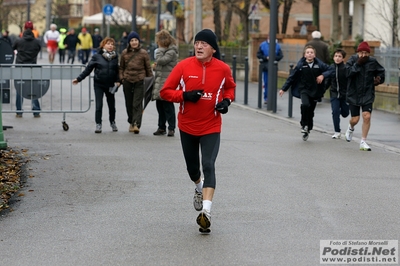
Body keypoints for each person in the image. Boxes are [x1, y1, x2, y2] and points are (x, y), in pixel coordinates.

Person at [160, 29, 235, 233]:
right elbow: (165, 92)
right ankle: (198, 187)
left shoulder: (223, 69)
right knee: (193, 169)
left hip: (211, 125)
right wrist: (185, 95)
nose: (199, 46)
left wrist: (226, 102)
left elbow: (229, 88)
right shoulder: (183, 66)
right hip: (187, 126)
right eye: (196, 43)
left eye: (204, 43)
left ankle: (206, 213)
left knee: (209, 164)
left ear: (213, 48)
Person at [279, 45, 332, 141]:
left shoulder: (319, 65)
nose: (309, 54)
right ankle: (304, 125)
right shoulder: (300, 65)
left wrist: (323, 75)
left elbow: (330, 70)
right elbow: (292, 77)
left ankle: (308, 128)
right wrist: (284, 89)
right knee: (305, 105)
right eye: (308, 52)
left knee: (311, 111)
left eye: (311, 52)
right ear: (304, 55)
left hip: (315, 90)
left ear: (314, 55)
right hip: (304, 90)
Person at [72, 37, 120, 133]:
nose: (110, 46)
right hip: (99, 84)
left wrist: (118, 80)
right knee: (99, 105)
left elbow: (117, 70)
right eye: (108, 44)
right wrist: (79, 79)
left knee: (112, 106)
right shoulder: (97, 56)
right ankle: (98, 124)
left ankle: (112, 122)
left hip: (110, 84)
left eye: (112, 44)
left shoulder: (115, 57)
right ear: (103, 45)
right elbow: (88, 69)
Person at [344, 41, 385, 151]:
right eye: (361, 53)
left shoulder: (372, 61)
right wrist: (358, 64)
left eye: (365, 53)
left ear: (369, 53)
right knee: (355, 119)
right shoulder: (352, 60)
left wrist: (379, 79)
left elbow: (381, 72)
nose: (363, 55)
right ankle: (350, 128)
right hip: (354, 94)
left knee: (367, 116)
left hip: (367, 93)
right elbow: (347, 73)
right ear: (358, 53)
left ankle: (363, 141)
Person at [119, 31, 153, 134]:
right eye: (132, 40)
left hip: (140, 80)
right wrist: (122, 78)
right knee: (129, 103)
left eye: (136, 40)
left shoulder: (143, 53)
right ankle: (131, 121)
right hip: (128, 80)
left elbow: (148, 68)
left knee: (137, 103)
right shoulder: (124, 53)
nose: (134, 42)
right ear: (129, 42)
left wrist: (150, 80)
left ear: (139, 41)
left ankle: (136, 124)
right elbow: (121, 67)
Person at [12, 22, 42, 118]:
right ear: (33, 29)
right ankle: (36, 111)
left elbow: (12, 48)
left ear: (24, 29)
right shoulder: (37, 41)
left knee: (19, 89)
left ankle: (19, 111)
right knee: (33, 88)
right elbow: (39, 49)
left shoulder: (18, 41)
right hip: (32, 67)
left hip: (20, 67)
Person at [152, 29, 178, 137]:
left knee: (168, 106)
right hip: (160, 80)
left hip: (166, 81)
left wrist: (159, 50)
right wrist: (155, 67)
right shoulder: (165, 51)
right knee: (160, 106)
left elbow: (161, 61)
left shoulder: (171, 52)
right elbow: (159, 65)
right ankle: (161, 127)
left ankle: (171, 128)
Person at [325, 49, 349, 139]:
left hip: (344, 94)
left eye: (339, 56)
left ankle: (343, 110)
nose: (337, 58)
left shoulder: (346, 69)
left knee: (345, 114)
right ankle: (337, 131)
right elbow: (327, 81)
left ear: (343, 59)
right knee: (335, 112)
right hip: (334, 94)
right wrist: (322, 91)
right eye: (336, 56)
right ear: (333, 57)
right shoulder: (331, 68)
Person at [256, 38, 283, 104]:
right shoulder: (263, 45)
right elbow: (258, 55)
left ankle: (272, 97)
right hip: (265, 67)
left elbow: (281, 55)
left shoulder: (277, 45)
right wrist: (266, 57)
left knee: (273, 83)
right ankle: (266, 98)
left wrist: (274, 58)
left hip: (273, 67)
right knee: (266, 83)